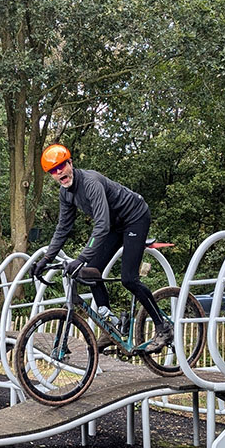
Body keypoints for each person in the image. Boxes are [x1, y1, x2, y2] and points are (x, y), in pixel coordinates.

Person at [29, 143, 172, 351]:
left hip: (135, 218)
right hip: (115, 226)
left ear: (70, 163)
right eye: (53, 170)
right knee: (89, 273)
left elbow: (101, 225)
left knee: (129, 279)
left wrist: (81, 257)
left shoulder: (90, 183)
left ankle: (163, 327)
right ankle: (111, 327)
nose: (59, 172)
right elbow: (62, 228)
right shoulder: (66, 194)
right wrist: (46, 259)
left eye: (61, 166)